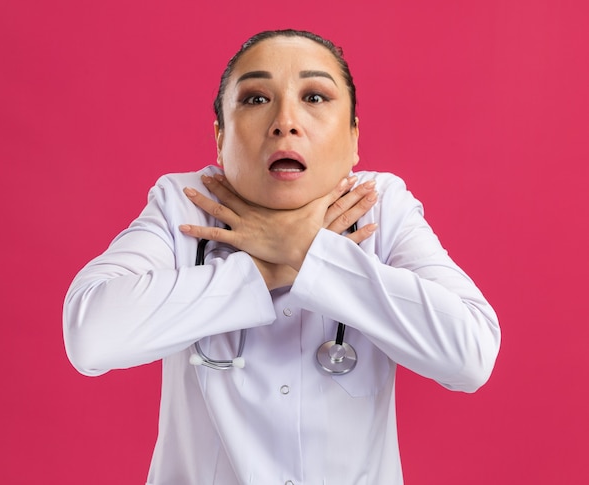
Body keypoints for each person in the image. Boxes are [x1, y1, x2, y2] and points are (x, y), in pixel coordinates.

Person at [63, 29, 501, 485]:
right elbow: (91, 337)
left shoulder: (379, 204)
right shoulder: (186, 203)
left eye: (314, 96)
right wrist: (262, 268)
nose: (285, 121)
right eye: (255, 99)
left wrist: (304, 250)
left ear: (354, 138)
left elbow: (469, 355)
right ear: (220, 137)